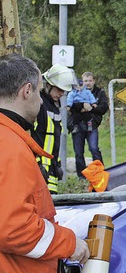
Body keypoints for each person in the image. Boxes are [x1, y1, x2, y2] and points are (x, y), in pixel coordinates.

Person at [0, 53, 90, 273]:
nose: (41, 100)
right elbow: (14, 228)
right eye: (39, 92)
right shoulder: (9, 146)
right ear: (26, 91)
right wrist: (70, 243)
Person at [31, 63, 77, 194]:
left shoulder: (53, 107)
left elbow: (54, 139)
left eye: (64, 91)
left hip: (50, 169)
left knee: (51, 208)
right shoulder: (38, 105)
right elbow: (32, 137)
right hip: (39, 169)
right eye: (59, 89)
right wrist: (37, 163)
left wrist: (57, 164)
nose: (62, 94)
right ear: (48, 85)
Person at [68, 71, 108, 177]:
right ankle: (81, 176)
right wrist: (81, 107)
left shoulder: (99, 92)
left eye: (90, 80)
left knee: (94, 148)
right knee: (78, 152)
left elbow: (104, 108)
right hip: (77, 125)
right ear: (82, 81)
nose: (88, 83)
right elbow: (69, 106)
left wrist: (91, 108)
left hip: (92, 125)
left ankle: (100, 172)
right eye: (85, 81)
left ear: (94, 81)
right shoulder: (74, 91)